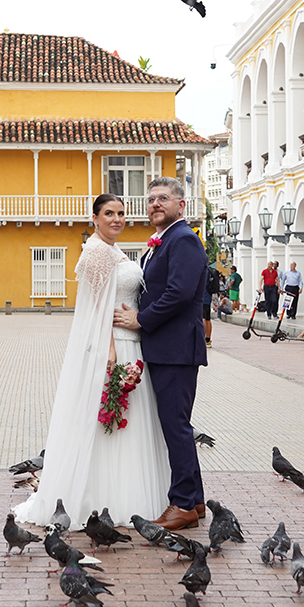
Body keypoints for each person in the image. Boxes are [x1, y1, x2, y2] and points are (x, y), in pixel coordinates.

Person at [13, 194, 169, 529]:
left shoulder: (114, 250)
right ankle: (100, 497)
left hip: (133, 341)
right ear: (95, 218)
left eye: (122, 213)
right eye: (109, 214)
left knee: (131, 421)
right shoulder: (97, 251)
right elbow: (97, 307)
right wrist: (109, 351)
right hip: (114, 346)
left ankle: (129, 492)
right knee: (109, 420)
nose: (117, 219)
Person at [114, 177, 207, 531]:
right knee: (176, 426)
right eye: (151, 199)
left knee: (176, 427)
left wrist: (141, 319)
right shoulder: (162, 241)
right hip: (165, 347)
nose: (155, 204)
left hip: (176, 348)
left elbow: (179, 293)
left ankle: (182, 504)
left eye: (163, 199)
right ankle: (195, 500)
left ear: (180, 205)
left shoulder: (183, 239)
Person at [204, 265, 222, 347]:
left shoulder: (203, 271)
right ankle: (208, 339)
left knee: (203, 318)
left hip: (202, 297)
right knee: (207, 318)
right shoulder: (209, 270)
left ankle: (202, 338)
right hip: (208, 298)